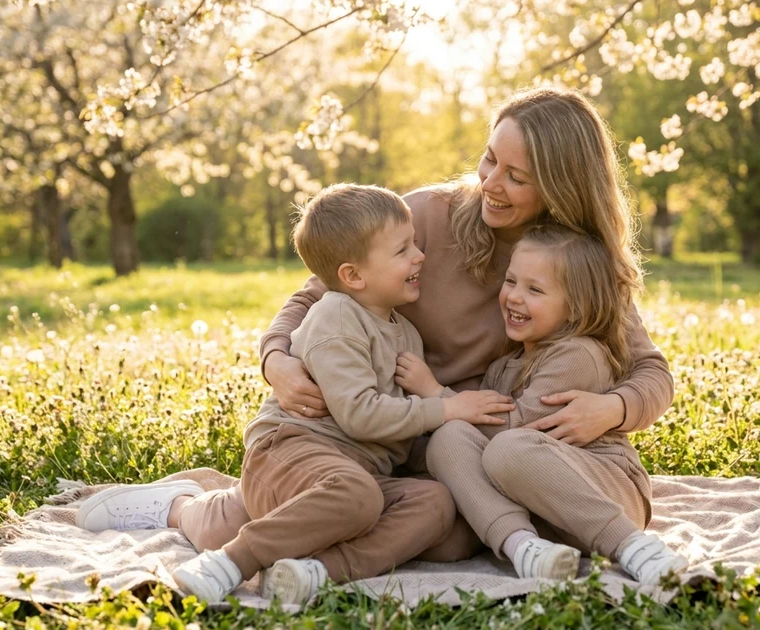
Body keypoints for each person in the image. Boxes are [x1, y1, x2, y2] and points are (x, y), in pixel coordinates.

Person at [260, 86, 676, 561]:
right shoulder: (424, 217)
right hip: (427, 444)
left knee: (459, 522)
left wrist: (613, 409)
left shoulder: (578, 261)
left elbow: (652, 372)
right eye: (489, 159)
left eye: (516, 176)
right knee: (442, 535)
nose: (491, 183)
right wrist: (277, 360)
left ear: (562, 188)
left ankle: (598, 543)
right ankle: (186, 510)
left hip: (514, 449)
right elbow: (313, 296)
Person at [74, 184, 514, 605]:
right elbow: (361, 416)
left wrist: (446, 419)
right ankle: (220, 551)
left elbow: (398, 433)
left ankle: (316, 572)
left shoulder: (407, 336)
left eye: (415, 243)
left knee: (433, 503)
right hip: (291, 449)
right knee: (349, 499)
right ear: (353, 275)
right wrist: (444, 407)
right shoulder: (336, 317)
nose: (420, 256)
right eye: (403, 250)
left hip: (354, 470)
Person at [398, 225, 687, 584]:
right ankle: (524, 548)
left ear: (575, 308)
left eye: (534, 290)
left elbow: (513, 428)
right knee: (450, 438)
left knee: (507, 447)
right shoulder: (503, 366)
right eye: (511, 282)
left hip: (609, 493)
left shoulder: (578, 354)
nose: (515, 297)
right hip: (547, 514)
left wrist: (436, 394)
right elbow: (472, 436)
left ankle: (633, 547)